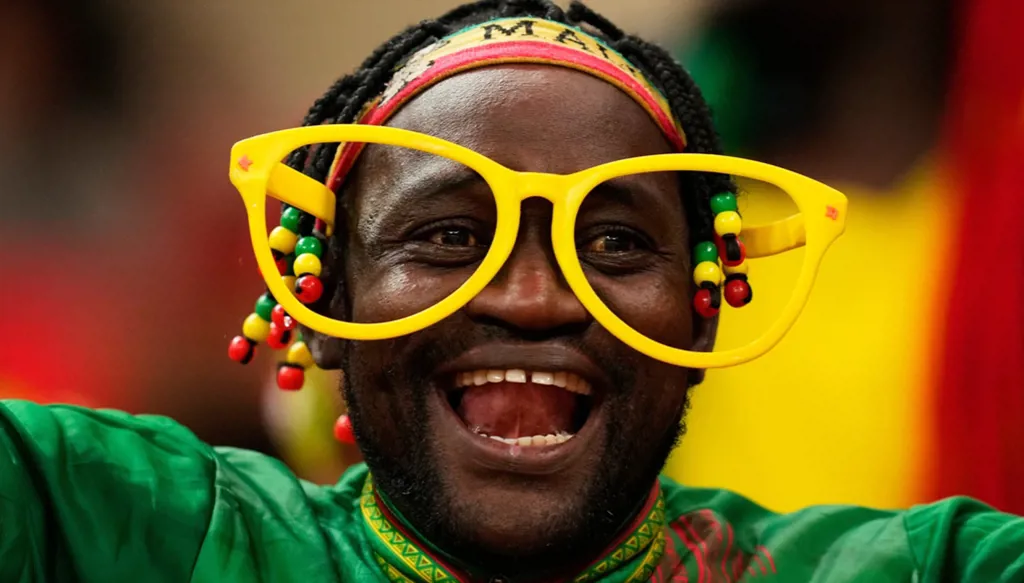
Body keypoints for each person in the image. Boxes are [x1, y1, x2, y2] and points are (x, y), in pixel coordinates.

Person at [0, 2, 1020, 582]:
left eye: (615, 243)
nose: (534, 297)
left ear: (704, 305)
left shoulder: (916, 569)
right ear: (323, 301)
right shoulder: (140, 530)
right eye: (448, 235)